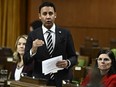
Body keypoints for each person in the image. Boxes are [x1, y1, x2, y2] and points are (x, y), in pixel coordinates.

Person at [24, 1, 77, 87]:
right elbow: (26, 60)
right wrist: (33, 50)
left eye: (50, 13)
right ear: (39, 16)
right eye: (44, 14)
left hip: (61, 80)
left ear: (55, 15)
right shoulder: (33, 35)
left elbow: (74, 57)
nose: (48, 17)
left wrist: (68, 62)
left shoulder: (65, 33)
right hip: (40, 81)